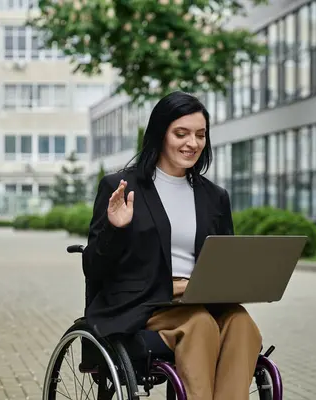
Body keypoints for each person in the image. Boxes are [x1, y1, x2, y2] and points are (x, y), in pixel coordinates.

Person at [82, 91, 262, 400]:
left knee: (242, 323)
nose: (192, 143)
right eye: (182, 133)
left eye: (200, 135)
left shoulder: (214, 196)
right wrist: (115, 228)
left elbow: (224, 260)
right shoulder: (122, 187)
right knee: (200, 325)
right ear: (161, 134)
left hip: (199, 298)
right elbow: (94, 267)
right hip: (144, 303)